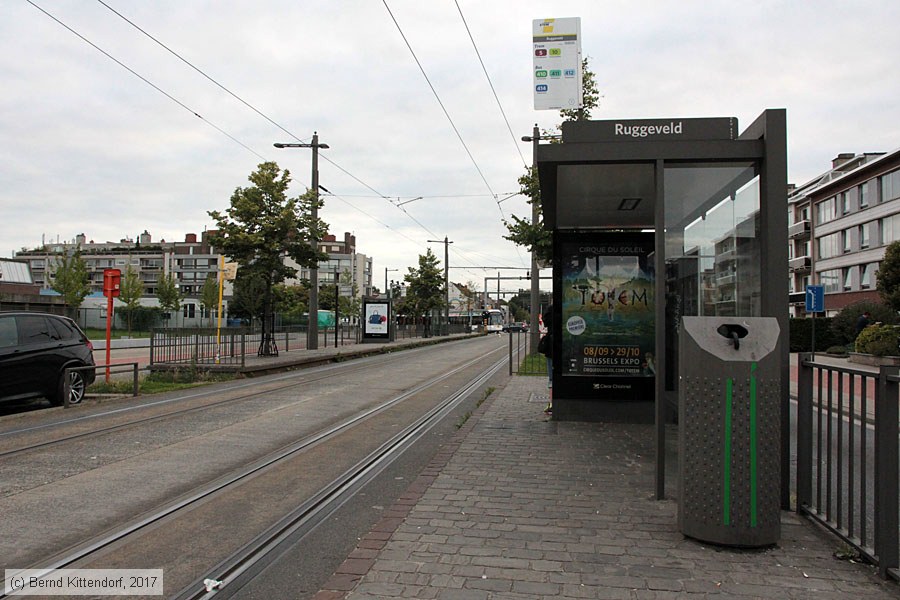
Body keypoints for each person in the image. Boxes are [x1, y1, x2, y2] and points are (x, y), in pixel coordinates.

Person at [539, 303, 554, 414]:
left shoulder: (551, 310)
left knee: (552, 378)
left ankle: (551, 402)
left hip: (552, 348)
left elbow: (546, 321)